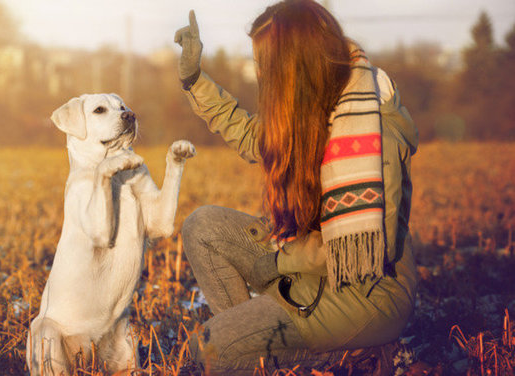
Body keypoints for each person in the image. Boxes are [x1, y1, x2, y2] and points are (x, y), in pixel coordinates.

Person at [173, 1, 419, 374]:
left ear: (293, 63)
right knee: (203, 226)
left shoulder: (370, 128)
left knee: (209, 350)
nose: (259, 73)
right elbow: (250, 134)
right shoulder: (310, 107)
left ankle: (353, 358)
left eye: (265, 63)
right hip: (306, 266)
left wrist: (275, 263)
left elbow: (361, 248)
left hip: (362, 294)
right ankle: (255, 341)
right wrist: (194, 80)